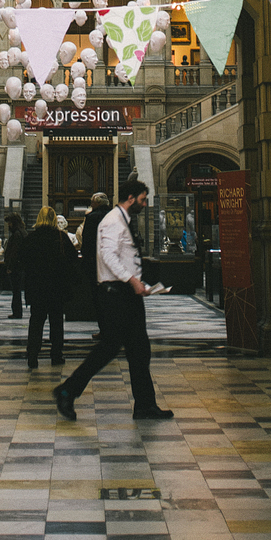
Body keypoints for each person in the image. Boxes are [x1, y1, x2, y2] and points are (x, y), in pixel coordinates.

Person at [53, 178, 173, 422]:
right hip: (115, 296)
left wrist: (140, 283)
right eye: (142, 199)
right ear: (131, 198)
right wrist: (131, 279)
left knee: (140, 351)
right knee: (108, 348)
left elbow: (124, 256)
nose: (144, 203)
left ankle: (145, 405)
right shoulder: (112, 221)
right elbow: (107, 254)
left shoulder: (123, 221)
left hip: (128, 294)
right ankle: (67, 390)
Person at [21, 205, 79, 368]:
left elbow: (23, 260)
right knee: (56, 322)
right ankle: (56, 354)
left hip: (37, 287)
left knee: (36, 322)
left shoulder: (31, 238)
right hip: (56, 287)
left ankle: (32, 355)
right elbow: (72, 259)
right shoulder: (60, 237)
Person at [78, 191, 110, 335]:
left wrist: (86, 258)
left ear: (97, 203)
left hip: (96, 264)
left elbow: (88, 241)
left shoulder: (91, 218)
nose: (90, 204)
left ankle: (104, 329)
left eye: (92, 201)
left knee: (98, 298)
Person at [3, 211, 26, 319]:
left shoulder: (17, 235)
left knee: (16, 291)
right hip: (19, 266)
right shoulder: (21, 232)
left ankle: (17, 312)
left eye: (10, 223)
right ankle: (17, 311)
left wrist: (10, 267)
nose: (9, 225)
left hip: (16, 268)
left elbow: (14, 252)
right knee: (16, 291)